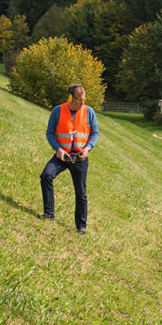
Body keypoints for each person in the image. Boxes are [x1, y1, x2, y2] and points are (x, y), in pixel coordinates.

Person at [38, 83, 99, 234]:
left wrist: (87, 148)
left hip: (80, 157)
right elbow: (50, 133)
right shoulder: (57, 111)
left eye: (84, 100)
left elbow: (95, 133)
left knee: (81, 192)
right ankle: (49, 213)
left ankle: (81, 226)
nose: (82, 103)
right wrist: (58, 149)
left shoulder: (89, 112)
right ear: (71, 97)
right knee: (46, 176)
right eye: (79, 100)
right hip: (62, 155)